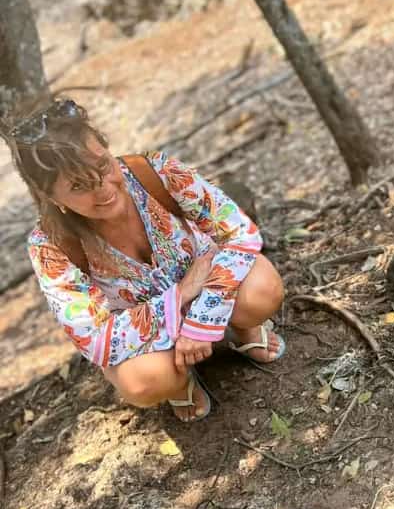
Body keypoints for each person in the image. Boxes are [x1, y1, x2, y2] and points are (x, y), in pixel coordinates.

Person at [4, 98, 285, 421]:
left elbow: (240, 232)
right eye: (79, 186)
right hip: (146, 336)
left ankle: (243, 327)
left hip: (210, 285)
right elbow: (93, 339)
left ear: (107, 148)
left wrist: (203, 318)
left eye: (103, 166)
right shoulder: (49, 246)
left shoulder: (156, 171)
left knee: (262, 291)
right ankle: (179, 383)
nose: (104, 190)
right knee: (145, 381)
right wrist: (179, 296)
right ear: (49, 196)